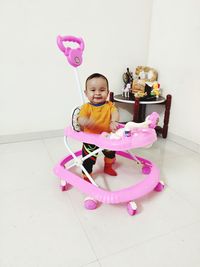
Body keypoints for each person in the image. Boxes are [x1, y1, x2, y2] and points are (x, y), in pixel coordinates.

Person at [77, 73, 119, 182]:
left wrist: (113, 121)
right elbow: (80, 119)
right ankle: (86, 175)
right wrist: (85, 121)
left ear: (108, 92)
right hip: (90, 140)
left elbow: (115, 112)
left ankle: (108, 167)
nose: (97, 93)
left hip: (107, 137)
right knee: (88, 160)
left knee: (111, 154)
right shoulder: (86, 107)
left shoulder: (109, 105)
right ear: (86, 93)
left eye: (102, 90)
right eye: (93, 90)